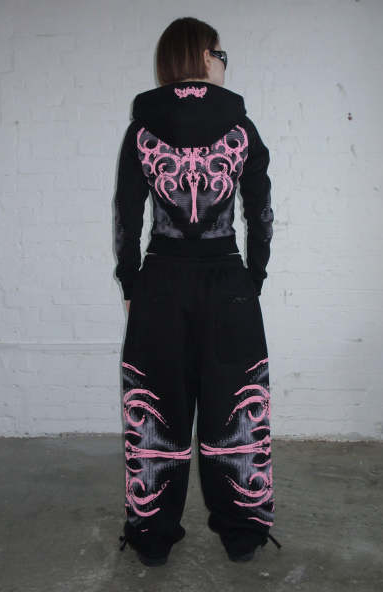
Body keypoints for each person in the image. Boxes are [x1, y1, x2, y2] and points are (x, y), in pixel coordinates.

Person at [114, 16, 281, 566]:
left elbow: (127, 214)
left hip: (160, 283)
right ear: (205, 57)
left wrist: (131, 280)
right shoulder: (241, 129)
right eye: (221, 54)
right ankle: (242, 534)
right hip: (227, 283)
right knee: (236, 410)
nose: (224, 63)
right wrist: (254, 277)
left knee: (155, 411)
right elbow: (260, 212)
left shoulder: (142, 130)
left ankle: (152, 537)